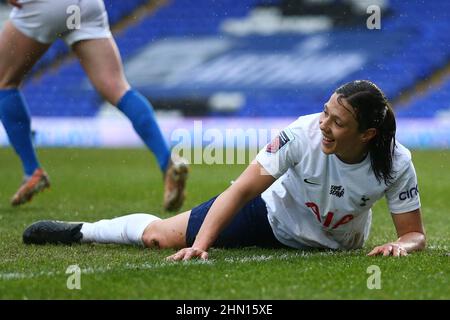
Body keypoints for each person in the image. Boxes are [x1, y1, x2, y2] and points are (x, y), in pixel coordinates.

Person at [22, 80, 426, 260]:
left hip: (339, 243)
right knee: (159, 237)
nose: (324, 124)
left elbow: (413, 234)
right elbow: (242, 190)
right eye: (325, 112)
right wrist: (201, 244)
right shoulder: (301, 134)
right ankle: (81, 230)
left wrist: (400, 246)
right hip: (270, 217)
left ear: (369, 134)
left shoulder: (396, 163)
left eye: (338, 122)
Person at [0, 0, 188, 211]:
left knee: (4, 81)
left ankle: (31, 170)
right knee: (118, 88)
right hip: (88, 5)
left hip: (46, 4)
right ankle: (166, 161)